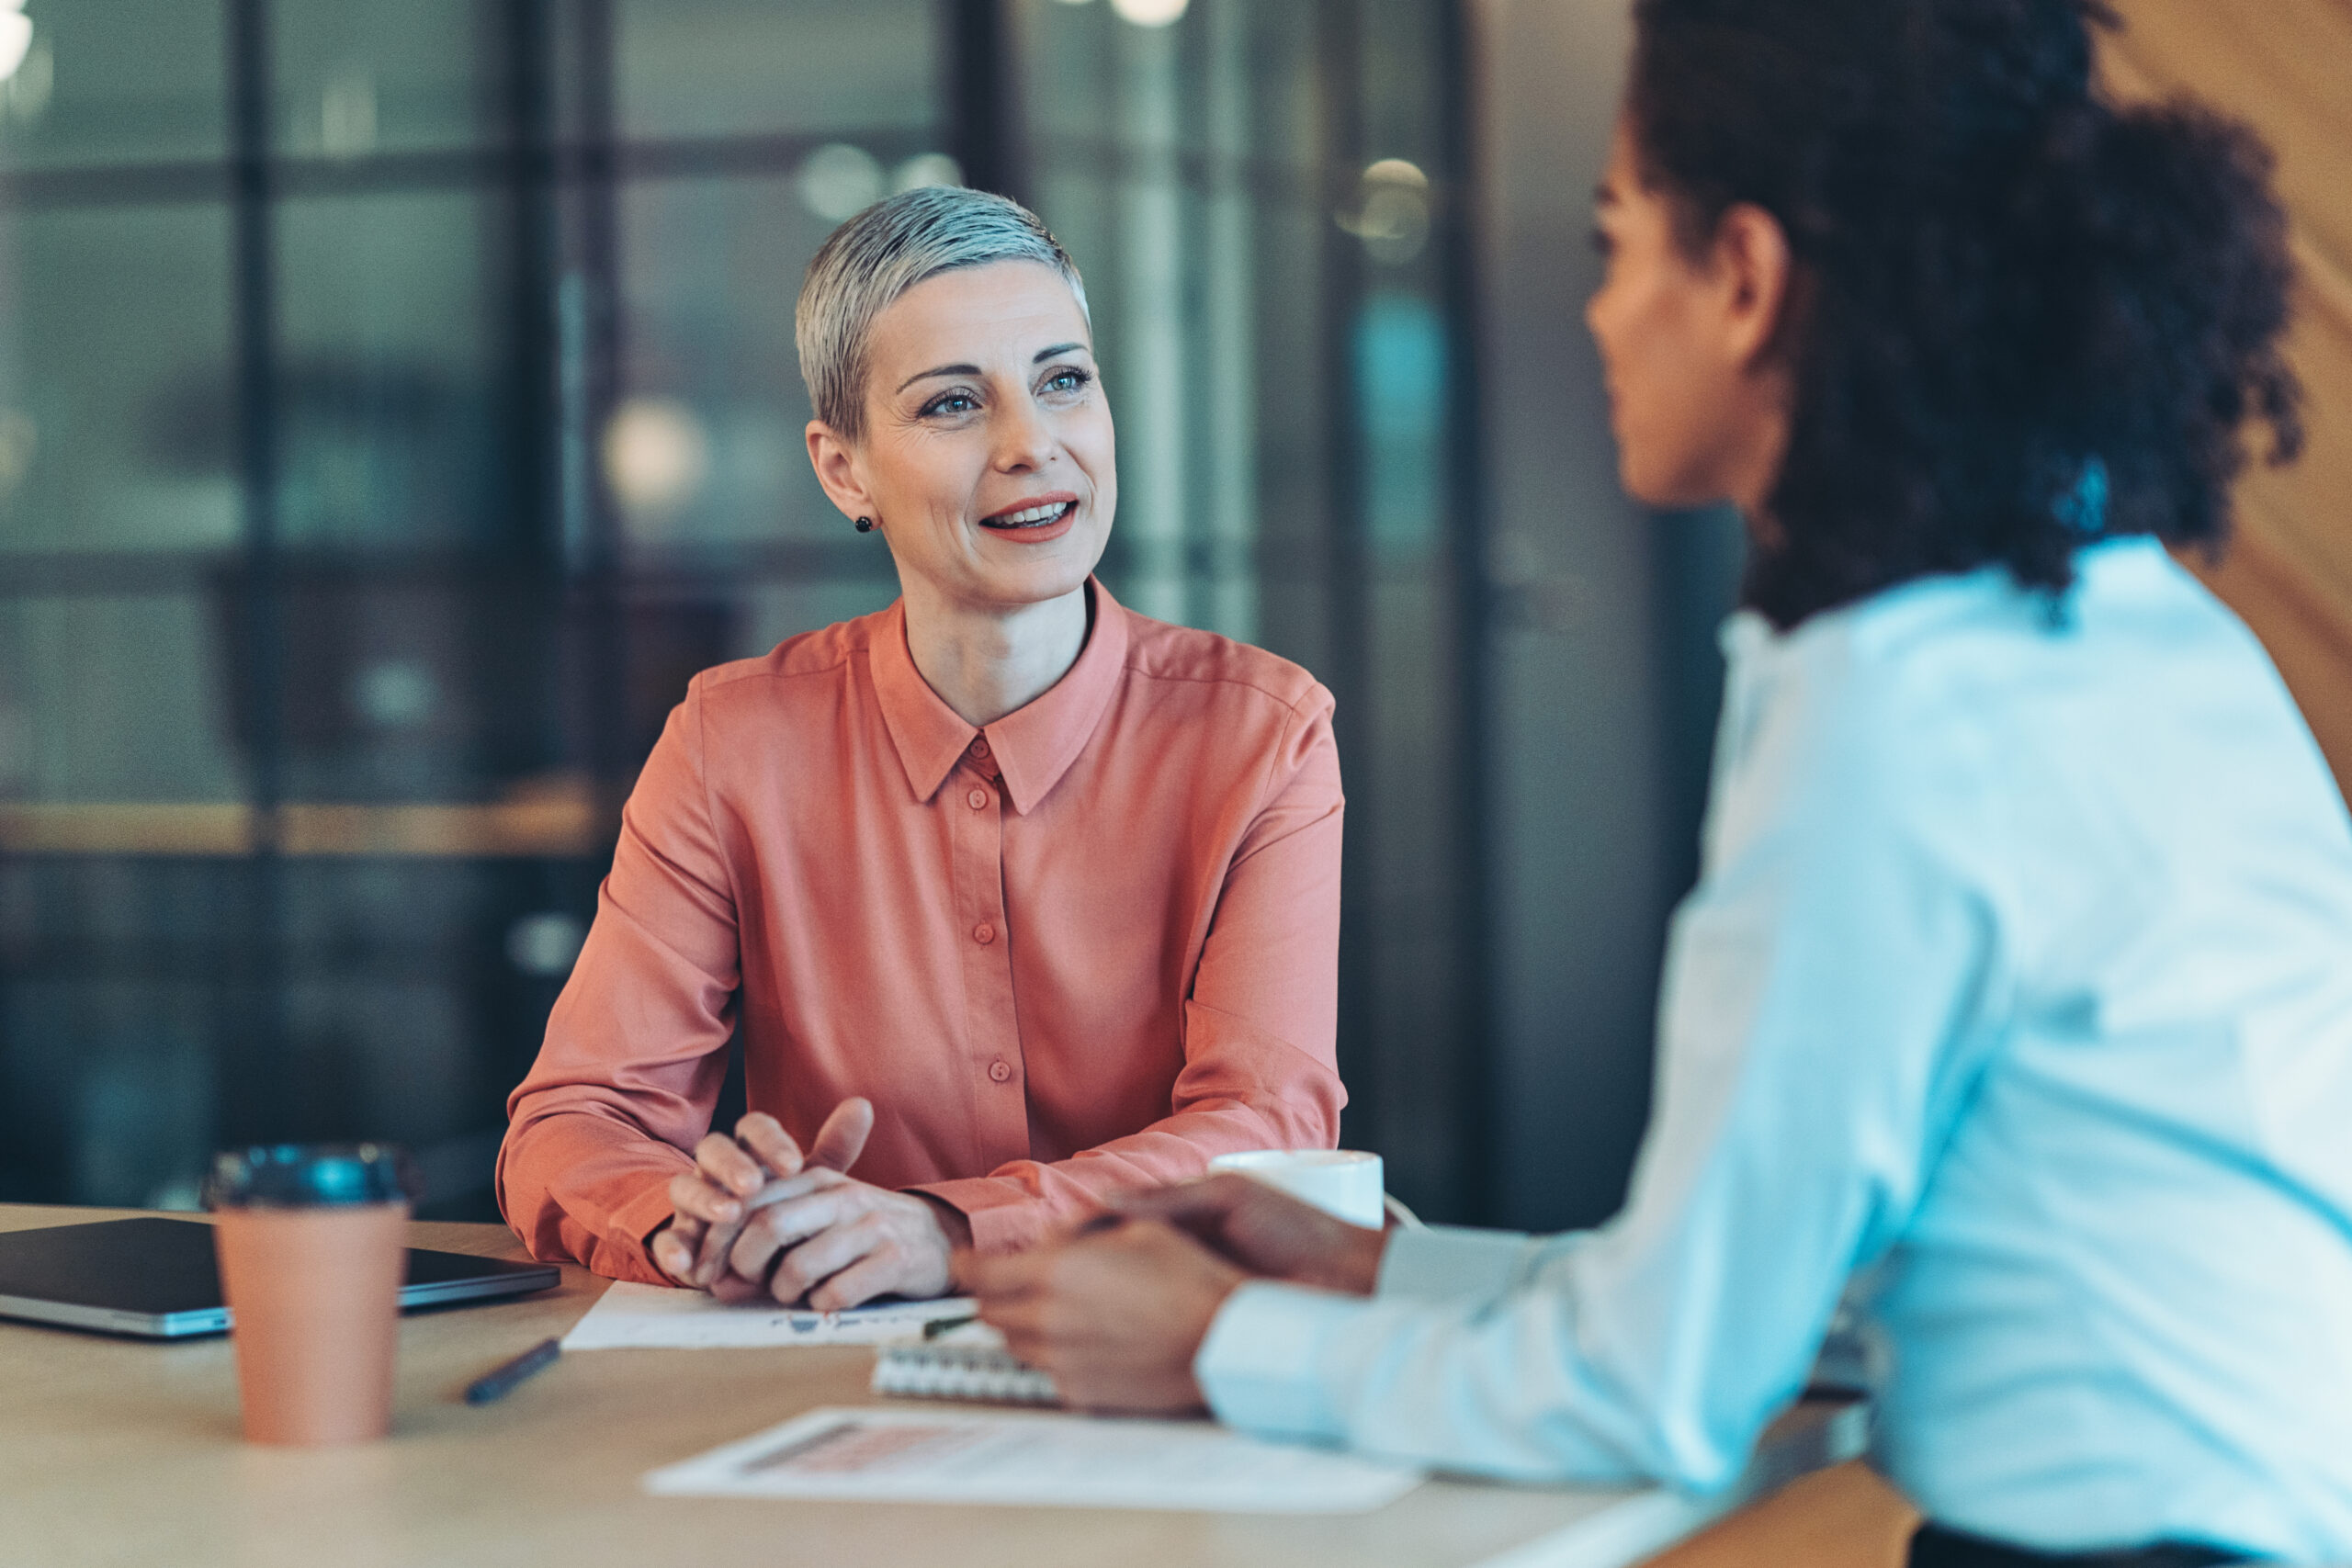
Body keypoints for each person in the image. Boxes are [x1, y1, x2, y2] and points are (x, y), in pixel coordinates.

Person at [967, 1, 2352, 1561]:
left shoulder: (1891, 718)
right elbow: (1800, 1290)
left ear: (1746, 280)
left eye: (1618, 247)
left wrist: (1211, 1345)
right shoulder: (2134, 628)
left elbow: (1662, 1390)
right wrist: (1385, 1275)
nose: (1602, 315)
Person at [498, 186, 1346, 1310]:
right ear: (844, 470)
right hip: (821, 1381)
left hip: (1157, 1355)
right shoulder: (729, 743)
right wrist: (697, 1222)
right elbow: (576, 1122)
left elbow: (1269, 1127)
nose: (1030, 445)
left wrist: (948, 1231)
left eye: (1063, 381)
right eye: (953, 404)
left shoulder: (1261, 735)